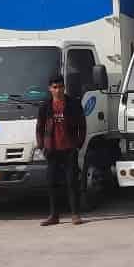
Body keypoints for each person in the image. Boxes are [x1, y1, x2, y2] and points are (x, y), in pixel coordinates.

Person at [35, 74, 86, 225]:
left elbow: (82, 125)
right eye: (55, 87)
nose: (58, 90)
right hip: (52, 150)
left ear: (64, 87)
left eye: (60, 87)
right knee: (52, 183)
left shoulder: (73, 104)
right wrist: (41, 145)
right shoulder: (45, 106)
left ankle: (75, 214)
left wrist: (78, 144)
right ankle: (54, 216)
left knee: (72, 182)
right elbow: (39, 127)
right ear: (50, 89)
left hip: (69, 149)